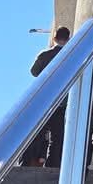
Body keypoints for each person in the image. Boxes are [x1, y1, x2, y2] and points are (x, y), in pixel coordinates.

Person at [22, 26, 71, 168]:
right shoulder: (71, 56)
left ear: (54, 38)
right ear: (68, 39)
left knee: (38, 132)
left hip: (44, 101)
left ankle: (31, 161)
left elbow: (34, 72)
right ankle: (53, 164)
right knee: (57, 136)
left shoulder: (45, 55)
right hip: (62, 102)